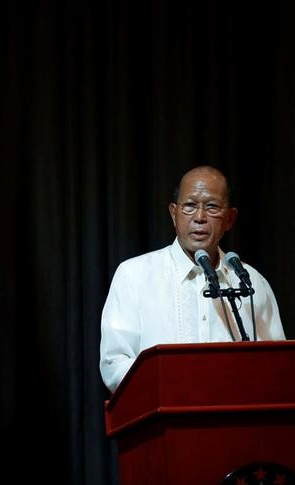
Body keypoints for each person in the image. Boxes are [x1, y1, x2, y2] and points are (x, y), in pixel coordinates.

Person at [99, 166, 285, 392]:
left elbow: (277, 366)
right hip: (162, 418)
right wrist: (174, 389)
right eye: (189, 206)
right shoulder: (134, 276)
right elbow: (115, 363)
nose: (199, 217)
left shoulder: (251, 283)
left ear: (230, 218)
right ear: (173, 213)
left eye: (212, 207)